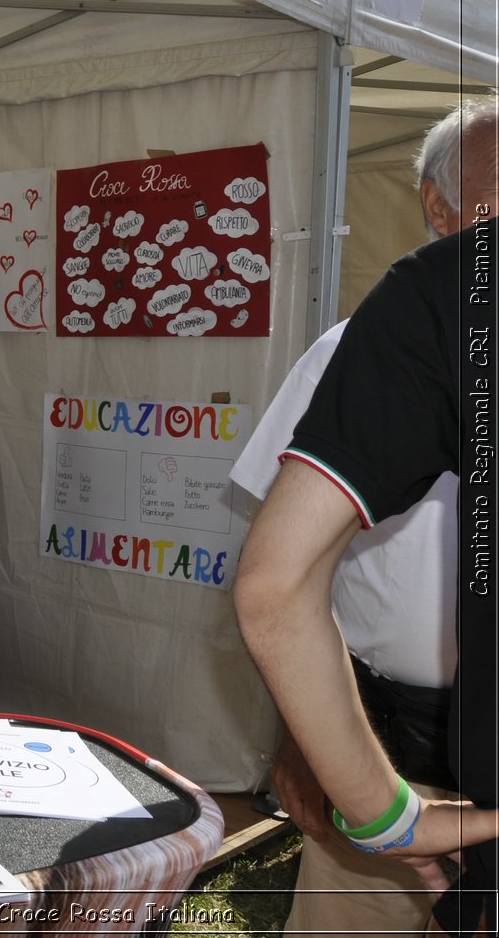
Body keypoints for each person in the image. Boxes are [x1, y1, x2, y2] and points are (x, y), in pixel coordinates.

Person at [233, 97, 499, 937]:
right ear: (437, 205)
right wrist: (303, 740)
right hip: (381, 741)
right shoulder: (356, 351)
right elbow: (288, 574)